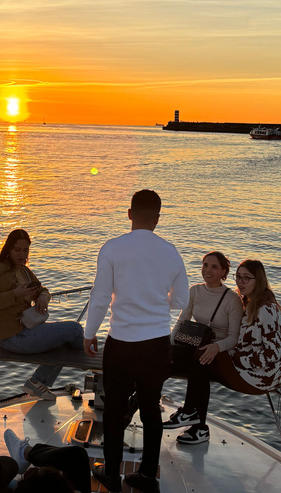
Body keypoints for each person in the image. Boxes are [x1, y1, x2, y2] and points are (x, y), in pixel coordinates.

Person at [84, 190, 190, 493]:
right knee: (150, 409)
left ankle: (112, 476)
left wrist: (89, 333)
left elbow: (101, 297)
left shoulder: (112, 248)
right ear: (158, 217)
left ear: (129, 214)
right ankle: (146, 477)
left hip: (121, 344)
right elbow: (181, 299)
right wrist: (156, 303)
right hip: (156, 345)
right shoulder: (171, 252)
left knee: (116, 410)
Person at [171, 259, 281, 445]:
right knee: (197, 356)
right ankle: (194, 421)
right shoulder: (247, 302)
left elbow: (271, 355)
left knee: (202, 359)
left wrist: (233, 358)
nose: (241, 282)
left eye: (247, 278)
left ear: (260, 280)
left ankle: (193, 418)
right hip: (244, 365)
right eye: (238, 277)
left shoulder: (267, 310)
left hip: (260, 376)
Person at [0, 229, 84, 400]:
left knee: (65, 341)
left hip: (26, 329)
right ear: (8, 249)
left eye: (26, 250)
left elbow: (41, 289)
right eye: (17, 250)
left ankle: (37, 382)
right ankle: (90, 363)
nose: (22, 255)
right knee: (74, 330)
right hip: (12, 337)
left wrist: (43, 297)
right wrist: (15, 294)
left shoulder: (24, 270)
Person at [164, 251, 243, 428]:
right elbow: (181, 321)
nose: (208, 270)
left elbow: (233, 338)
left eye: (214, 267)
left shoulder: (232, 299)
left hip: (219, 352)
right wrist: (169, 345)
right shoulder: (195, 291)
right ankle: (134, 403)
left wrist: (216, 347)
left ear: (224, 272)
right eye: (205, 265)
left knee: (199, 361)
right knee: (163, 360)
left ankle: (191, 414)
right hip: (195, 346)